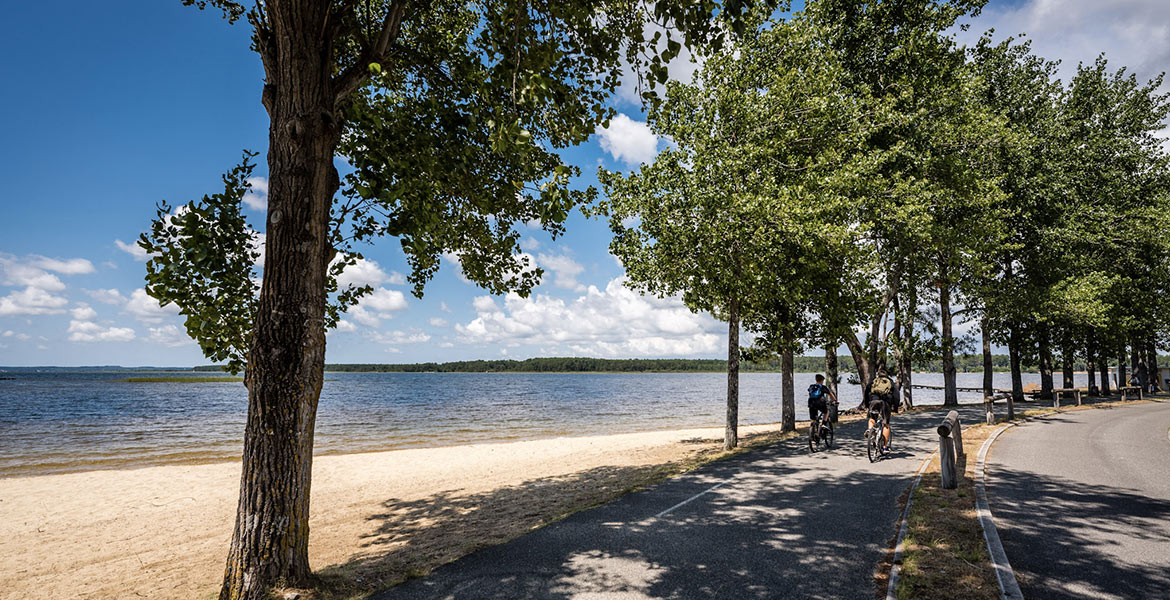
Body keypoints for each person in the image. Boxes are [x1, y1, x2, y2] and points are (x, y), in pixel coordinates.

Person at [867, 366, 895, 452]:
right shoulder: (890, 382)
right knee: (885, 424)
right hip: (885, 403)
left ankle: (870, 430)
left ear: (877, 375)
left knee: (872, 418)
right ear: (887, 375)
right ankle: (885, 447)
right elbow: (896, 395)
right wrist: (895, 407)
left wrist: (867, 404)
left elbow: (866, 393)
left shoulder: (873, 382)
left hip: (873, 402)